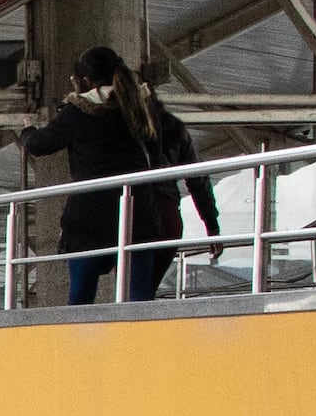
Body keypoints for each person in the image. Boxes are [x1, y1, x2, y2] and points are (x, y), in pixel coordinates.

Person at [23, 45, 205, 304]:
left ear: (85, 80)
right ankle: (139, 340)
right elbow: (154, 157)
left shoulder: (77, 112)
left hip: (90, 219)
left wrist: (27, 130)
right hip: (138, 215)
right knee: (138, 297)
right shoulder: (139, 110)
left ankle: (80, 342)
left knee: (81, 299)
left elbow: (40, 145)